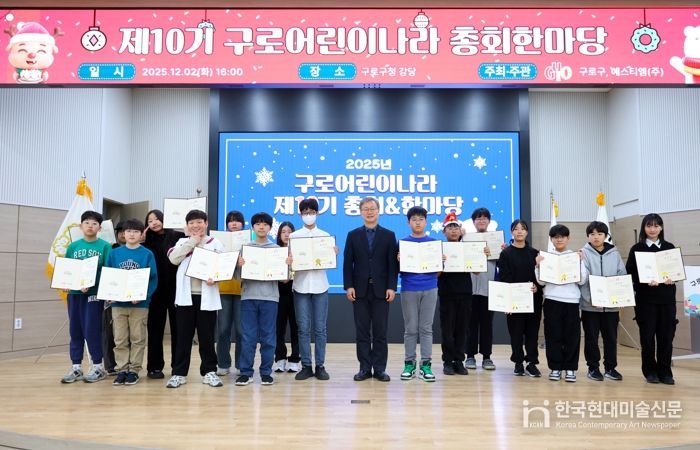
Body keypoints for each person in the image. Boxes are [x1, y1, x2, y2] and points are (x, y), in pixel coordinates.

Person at [166, 210, 224, 389]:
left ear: (206, 223)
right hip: (186, 298)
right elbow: (174, 259)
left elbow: (223, 268)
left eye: (199, 222)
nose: (195, 225)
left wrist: (216, 277)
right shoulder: (182, 242)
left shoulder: (215, 243)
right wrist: (193, 241)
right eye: (191, 223)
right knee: (183, 337)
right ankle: (179, 373)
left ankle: (209, 371)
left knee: (207, 337)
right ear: (187, 225)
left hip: (207, 297)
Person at [343, 197, 398, 382]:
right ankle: (365, 368)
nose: (369, 212)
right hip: (359, 291)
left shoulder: (389, 235)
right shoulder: (352, 235)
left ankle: (380, 369)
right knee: (362, 333)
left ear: (378, 211)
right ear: (360, 212)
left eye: (372, 208)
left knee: (381, 333)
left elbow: (392, 265)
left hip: (382, 291)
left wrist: (391, 287)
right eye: (366, 209)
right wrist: (349, 286)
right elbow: (347, 263)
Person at [625, 213, 678, 385]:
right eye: (649, 225)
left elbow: (676, 271)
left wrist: (672, 278)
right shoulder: (637, 248)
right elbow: (630, 273)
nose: (652, 229)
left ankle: (665, 372)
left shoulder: (669, 247)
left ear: (661, 228)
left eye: (656, 225)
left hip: (667, 300)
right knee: (647, 339)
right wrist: (645, 279)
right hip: (645, 301)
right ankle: (650, 371)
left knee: (666, 338)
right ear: (644, 228)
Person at [60, 211, 112, 384]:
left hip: (93, 294)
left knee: (92, 329)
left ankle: (97, 366)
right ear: (81, 226)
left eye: (94, 223)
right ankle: (76, 367)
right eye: (87, 223)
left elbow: (107, 271)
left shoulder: (105, 246)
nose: (90, 226)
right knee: (75, 330)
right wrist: (66, 282)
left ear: (100, 227)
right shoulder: (73, 247)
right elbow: (67, 269)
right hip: (74, 294)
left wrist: (91, 283)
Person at [289, 198, 337, 381]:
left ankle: (320, 366)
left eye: (311, 212)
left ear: (317, 213)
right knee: (303, 329)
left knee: (320, 329)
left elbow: (329, 261)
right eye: (305, 212)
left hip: (320, 285)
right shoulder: (294, 237)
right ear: (300, 214)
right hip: (300, 285)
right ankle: (306, 366)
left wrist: (332, 254)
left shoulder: (325, 236)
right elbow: (290, 264)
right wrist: (289, 261)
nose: (308, 215)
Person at [105, 219, 158, 386]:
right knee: (120, 339)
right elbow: (108, 276)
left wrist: (143, 295)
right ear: (123, 234)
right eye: (128, 231)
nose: (132, 234)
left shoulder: (147, 254)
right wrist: (109, 294)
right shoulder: (114, 253)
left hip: (139, 305)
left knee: (137, 338)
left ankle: (134, 370)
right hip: (118, 304)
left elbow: (153, 279)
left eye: (136, 231)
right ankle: (122, 369)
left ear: (141, 234)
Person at [535, 224, 588, 382]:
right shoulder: (546, 257)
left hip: (571, 302)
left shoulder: (575, 256)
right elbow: (541, 282)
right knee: (553, 336)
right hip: (552, 300)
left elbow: (582, 280)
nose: (559, 240)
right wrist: (538, 266)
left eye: (562, 237)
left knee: (572, 337)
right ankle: (555, 368)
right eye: (556, 237)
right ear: (551, 239)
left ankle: (570, 368)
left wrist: (579, 262)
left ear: (568, 238)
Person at [235, 212, 281, 386]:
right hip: (248, 297)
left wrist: (286, 265)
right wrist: (239, 266)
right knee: (248, 337)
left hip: (270, 298)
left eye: (265, 224)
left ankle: (266, 372)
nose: (261, 227)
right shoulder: (245, 248)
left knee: (268, 337)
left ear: (270, 228)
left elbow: (284, 278)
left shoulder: (277, 249)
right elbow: (237, 278)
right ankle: (246, 372)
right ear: (253, 227)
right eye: (258, 224)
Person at [580, 221, 627, 382]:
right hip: (590, 307)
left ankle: (610, 368)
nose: (596, 237)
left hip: (611, 307)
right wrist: (592, 299)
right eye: (592, 234)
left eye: (600, 234)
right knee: (591, 338)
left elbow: (621, 275)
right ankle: (593, 368)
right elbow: (583, 280)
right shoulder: (583, 254)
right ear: (588, 236)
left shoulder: (614, 253)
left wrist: (620, 297)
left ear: (606, 236)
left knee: (611, 338)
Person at [496, 219, 543, 378]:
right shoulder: (506, 253)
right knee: (515, 333)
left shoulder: (535, 253)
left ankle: (531, 363)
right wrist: (507, 302)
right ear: (512, 232)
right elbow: (504, 278)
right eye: (516, 229)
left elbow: (541, 276)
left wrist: (537, 286)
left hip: (533, 299)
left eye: (522, 229)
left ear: (527, 232)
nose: (519, 231)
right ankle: (518, 362)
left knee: (532, 333)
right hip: (514, 300)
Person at [398, 206, 440, 383]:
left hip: (430, 288)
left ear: (426, 222)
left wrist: (440, 262)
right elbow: (397, 269)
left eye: (421, 219)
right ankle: (409, 364)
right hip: (409, 288)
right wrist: (399, 260)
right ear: (409, 222)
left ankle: (425, 365)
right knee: (411, 328)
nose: (417, 222)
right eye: (414, 219)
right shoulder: (402, 243)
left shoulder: (433, 243)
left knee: (426, 328)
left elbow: (438, 272)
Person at [142, 209, 185, 379]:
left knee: (178, 330)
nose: (154, 223)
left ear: (164, 219)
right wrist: (142, 241)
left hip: (176, 289)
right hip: (155, 290)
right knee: (155, 330)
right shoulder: (146, 240)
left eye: (157, 219)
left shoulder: (177, 236)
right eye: (150, 221)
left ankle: (177, 367)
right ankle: (154, 367)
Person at [465, 208, 499, 371]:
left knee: (487, 325)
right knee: (470, 324)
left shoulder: (496, 240)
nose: (481, 221)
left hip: (488, 289)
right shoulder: (466, 239)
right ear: (473, 222)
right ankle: (470, 356)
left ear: (489, 221)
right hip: (469, 289)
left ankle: (487, 357)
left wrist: (497, 251)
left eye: (484, 218)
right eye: (478, 218)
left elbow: (502, 262)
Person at [438, 211, 471, 376]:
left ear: (460, 231)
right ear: (444, 232)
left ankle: (459, 361)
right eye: (450, 228)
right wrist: (439, 262)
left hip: (465, 292)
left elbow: (477, 271)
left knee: (462, 328)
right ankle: (448, 361)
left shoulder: (468, 248)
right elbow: (436, 274)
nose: (453, 231)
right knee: (447, 329)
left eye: (456, 227)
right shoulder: (439, 249)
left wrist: (482, 255)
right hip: (447, 293)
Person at [216, 210, 245, 377]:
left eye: (237, 220)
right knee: (223, 329)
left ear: (243, 224)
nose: (234, 223)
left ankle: (241, 364)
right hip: (223, 289)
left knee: (241, 330)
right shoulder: (219, 241)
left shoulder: (249, 241)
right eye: (231, 220)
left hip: (243, 290)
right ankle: (223, 363)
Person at [273, 221, 301, 373]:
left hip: (296, 293)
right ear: (279, 235)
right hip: (278, 294)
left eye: (289, 231)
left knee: (296, 328)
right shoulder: (275, 251)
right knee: (279, 328)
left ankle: (295, 359)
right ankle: (280, 359)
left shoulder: (299, 251)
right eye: (283, 232)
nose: (286, 234)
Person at [102, 220, 125, 377]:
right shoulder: (110, 249)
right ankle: (111, 365)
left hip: (132, 300)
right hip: (112, 298)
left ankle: (126, 365)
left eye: (127, 231)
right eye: (121, 232)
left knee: (127, 336)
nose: (124, 234)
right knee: (109, 333)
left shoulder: (140, 250)